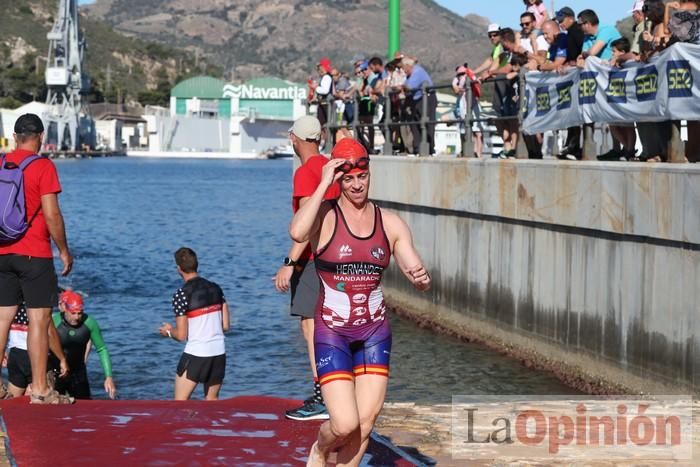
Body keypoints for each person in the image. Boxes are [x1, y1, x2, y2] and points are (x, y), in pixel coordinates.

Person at [289, 138, 431, 466]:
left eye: (362, 176)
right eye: (348, 178)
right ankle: (320, 451)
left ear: (369, 174)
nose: (356, 185)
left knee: (365, 425)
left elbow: (415, 267)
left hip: (374, 333)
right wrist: (324, 181)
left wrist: (420, 278)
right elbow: (297, 232)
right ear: (339, 178)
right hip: (334, 333)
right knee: (344, 423)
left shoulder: (390, 223)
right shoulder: (324, 217)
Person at [0, 113, 73, 404]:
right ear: (40, 137)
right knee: (39, 320)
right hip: (34, 254)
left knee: (2, 318)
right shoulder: (43, 166)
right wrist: (64, 250)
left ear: (15, 136)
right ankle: (41, 389)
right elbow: (52, 214)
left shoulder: (2, 162)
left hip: (2, 252)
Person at [274, 115, 341, 421]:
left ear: (294, 139)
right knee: (330, 328)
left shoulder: (304, 173)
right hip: (336, 259)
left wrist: (288, 263)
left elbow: (305, 224)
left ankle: (323, 397)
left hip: (313, 261)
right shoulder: (329, 166)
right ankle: (335, 390)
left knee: (310, 327)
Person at [159, 247, 230, 400]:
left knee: (180, 404)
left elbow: (182, 335)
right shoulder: (216, 288)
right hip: (218, 353)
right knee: (212, 404)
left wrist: (169, 331)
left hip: (197, 353)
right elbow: (225, 326)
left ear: (179, 269)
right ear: (196, 264)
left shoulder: (181, 294)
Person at [49, 290, 116, 400]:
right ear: (65, 308)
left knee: (84, 409)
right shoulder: (54, 321)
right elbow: (41, 346)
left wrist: (108, 377)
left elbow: (102, 349)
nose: (76, 317)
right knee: (54, 411)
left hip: (78, 372)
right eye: (73, 313)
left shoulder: (90, 323)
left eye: (80, 313)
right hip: (55, 372)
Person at [6, 303, 71, 400]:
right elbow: (50, 333)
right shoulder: (38, 304)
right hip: (34, 355)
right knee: (44, 396)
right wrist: (62, 358)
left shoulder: (13, 302)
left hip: (15, 353)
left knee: (13, 398)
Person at [555, 7, 585, 159]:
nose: (560, 24)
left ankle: (575, 147)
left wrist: (574, 62)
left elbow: (583, 51)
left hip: (580, 77)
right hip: (573, 77)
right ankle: (571, 145)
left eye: (561, 20)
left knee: (577, 113)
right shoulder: (569, 33)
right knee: (571, 112)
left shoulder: (576, 31)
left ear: (570, 18)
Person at [402, 57, 437, 156]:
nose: (403, 71)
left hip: (427, 98)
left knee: (427, 123)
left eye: (404, 68)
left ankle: (430, 149)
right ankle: (417, 148)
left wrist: (402, 87)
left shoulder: (417, 71)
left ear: (408, 66)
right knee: (415, 123)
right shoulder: (410, 74)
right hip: (417, 99)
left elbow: (409, 87)